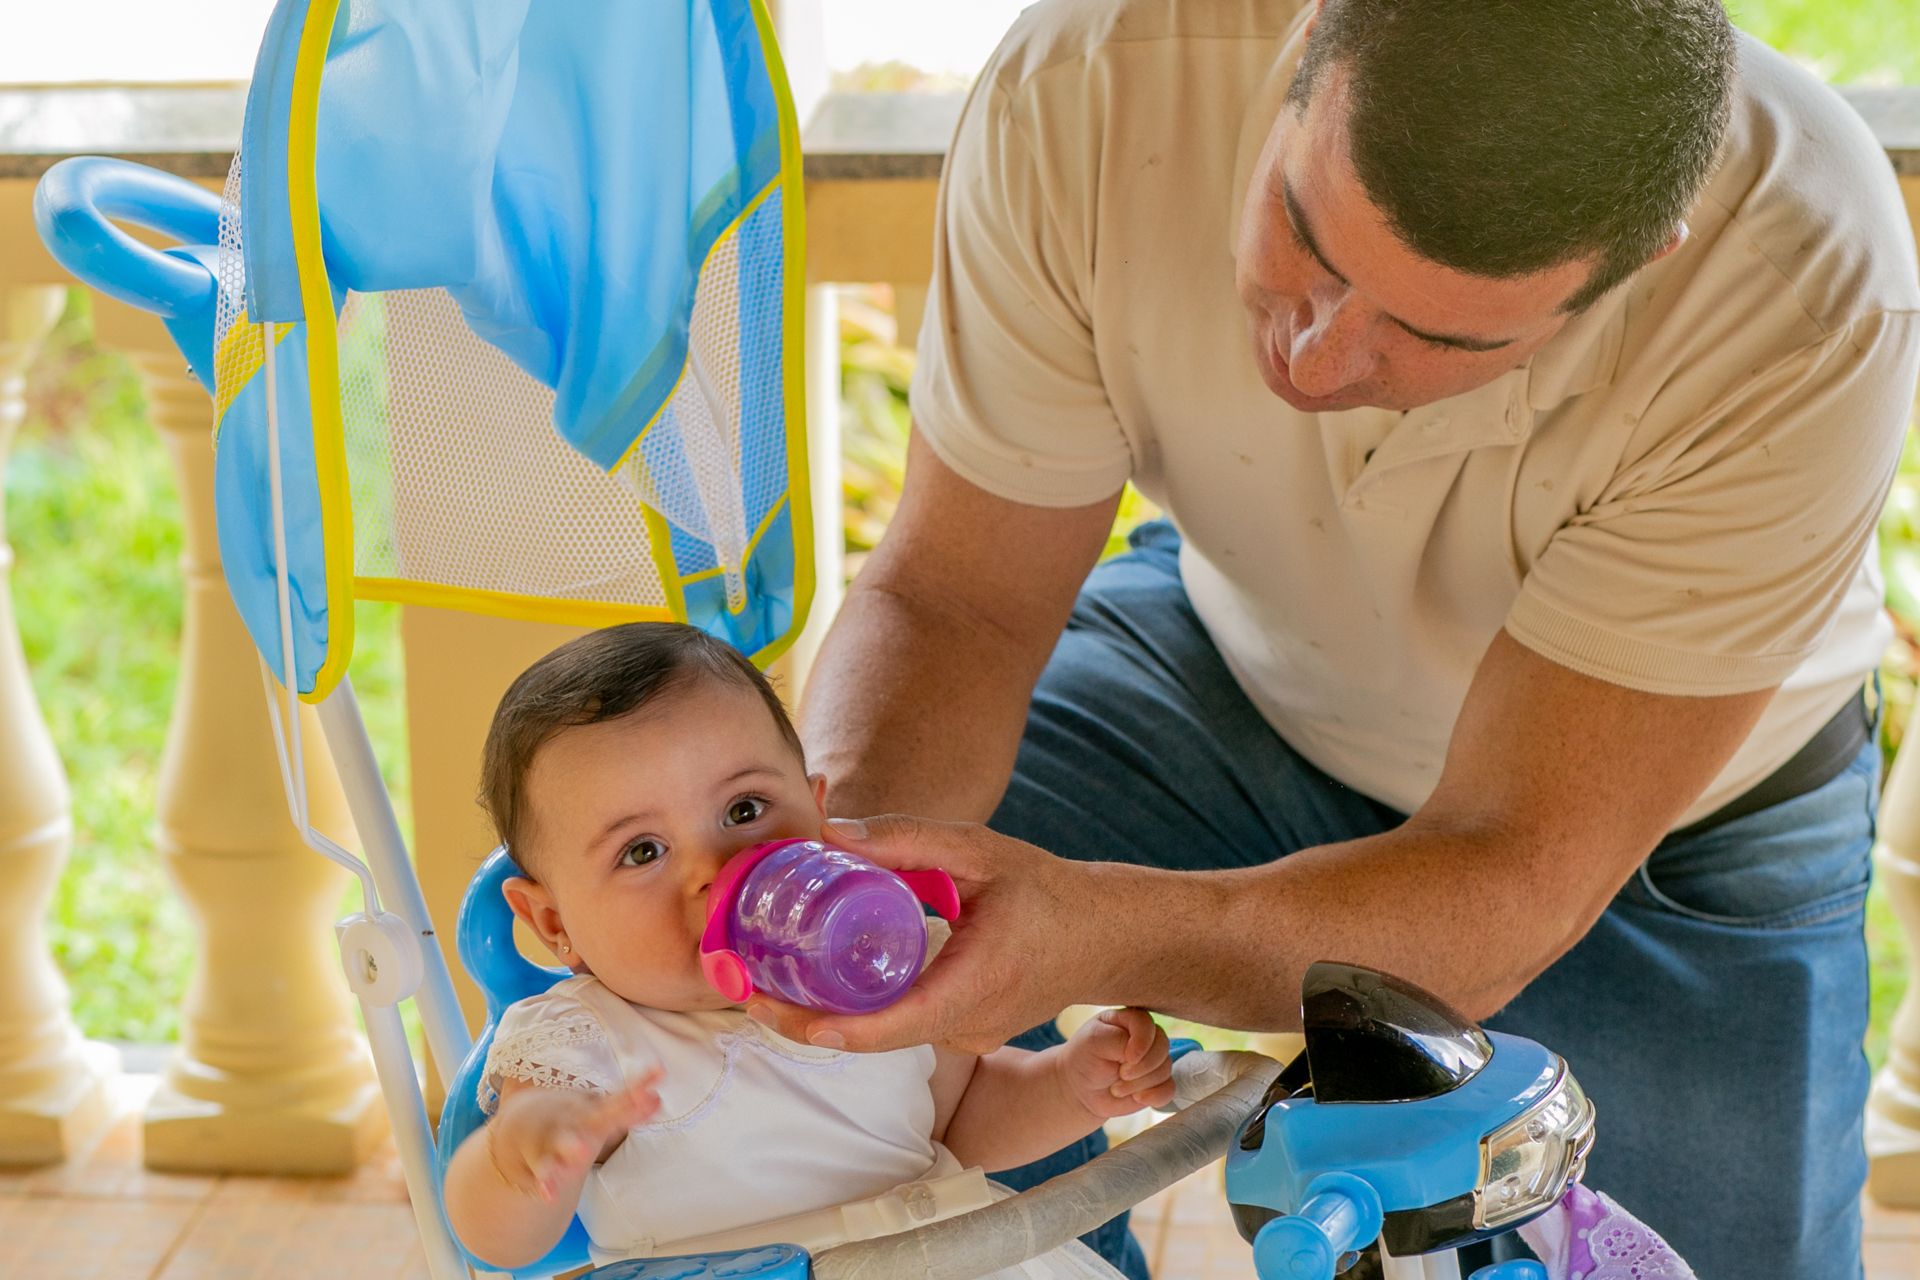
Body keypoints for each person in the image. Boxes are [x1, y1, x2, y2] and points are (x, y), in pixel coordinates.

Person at [767, 2, 1920, 1278]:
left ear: (1640, 261)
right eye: (1306, 238)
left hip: (1646, 820)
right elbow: (957, 603)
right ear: (1310, 37)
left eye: (1439, 334)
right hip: (1230, 672)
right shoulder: (1093, 82)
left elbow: (1509, 866)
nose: (1316, 357)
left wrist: (1092, 929)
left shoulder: (1803, 286)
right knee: (838, 1112)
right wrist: (835, 905)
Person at [440, 623, 1171, 1275]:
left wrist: (1072, 1085)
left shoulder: (877, 975)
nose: (714, 870)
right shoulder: (590, 1042)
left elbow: (958, 1124)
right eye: (643, 851)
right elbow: (494, 1241)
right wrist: (522, 1158)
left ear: (821, 812)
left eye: (744, 810)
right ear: (553, 923)